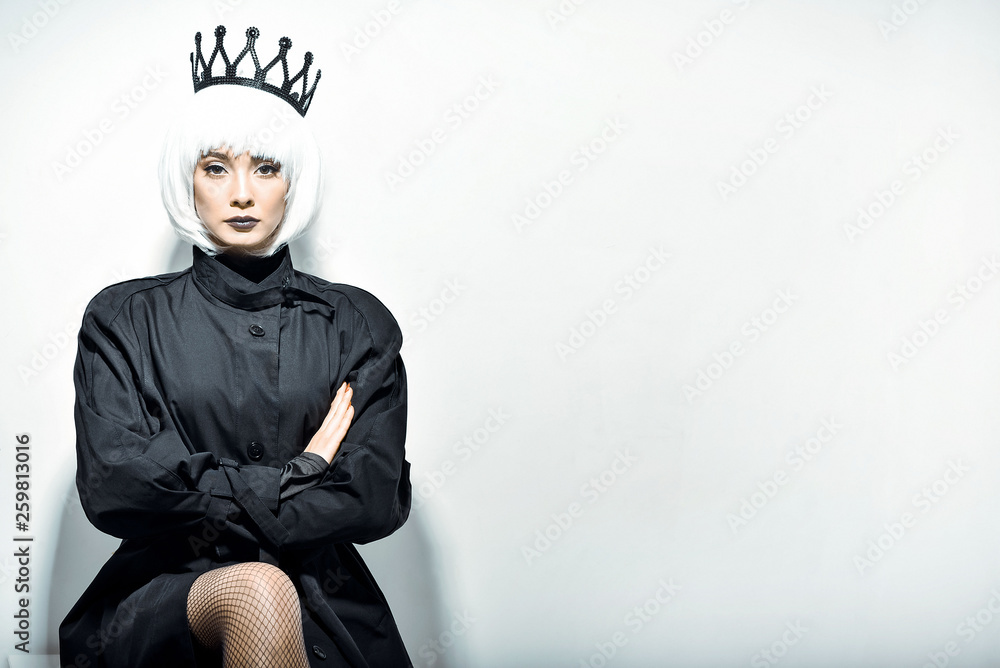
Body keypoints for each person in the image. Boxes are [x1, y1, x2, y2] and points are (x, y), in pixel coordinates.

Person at [58, 25, 413, 667]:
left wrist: (199, 483)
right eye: (216, 167)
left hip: (326, 600)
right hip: (162, 599)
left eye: (266, 167)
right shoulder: (122, 318)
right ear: (188, 178)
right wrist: (298, 475)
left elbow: (376, 497)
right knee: (257, 591)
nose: (243, 193)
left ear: (291, 182)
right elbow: (115, 486)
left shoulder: (357, 323)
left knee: (274, 594)